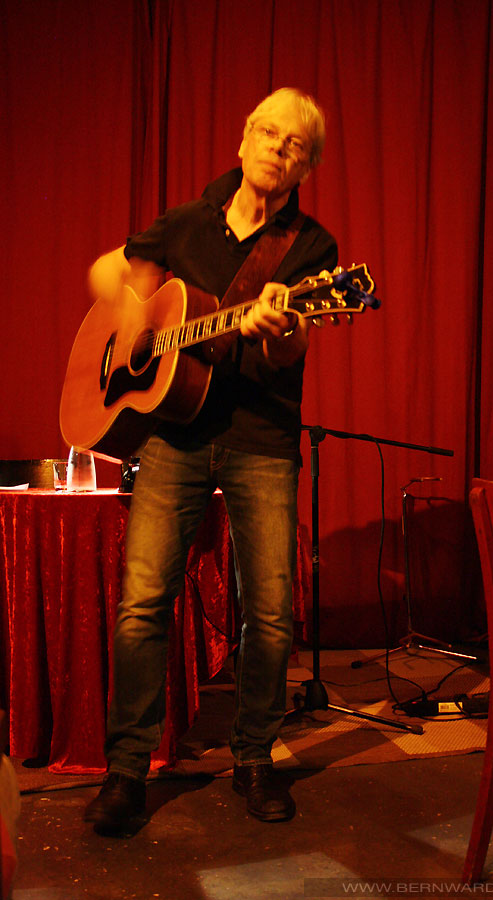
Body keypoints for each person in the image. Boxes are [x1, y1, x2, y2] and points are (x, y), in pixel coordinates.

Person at [83, 87, 338, 834]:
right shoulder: (187, 221)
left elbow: (293, 351)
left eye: (294, 144)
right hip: (173, 436)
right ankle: (127, 771)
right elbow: (106, 274)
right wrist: (135, 319)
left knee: (270, 612)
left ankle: (254, 757)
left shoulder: (312, 248)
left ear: (307, 167)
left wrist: (278, 326)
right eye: (268, 133)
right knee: (142, 603)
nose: (277, 148)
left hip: (263, 440)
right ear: (244, 139)